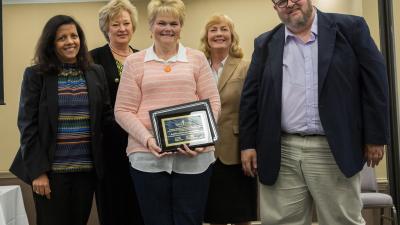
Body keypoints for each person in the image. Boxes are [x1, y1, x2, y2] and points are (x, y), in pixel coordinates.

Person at [239, 0, 389, 224]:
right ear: (275, 7)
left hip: (331, 148)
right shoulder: (265, 43)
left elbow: (375, 83)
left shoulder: (350, 29)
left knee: (341, 220)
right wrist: (248, 143)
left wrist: (375, 137)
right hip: (282, 150)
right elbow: (251, 97)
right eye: (280, 1)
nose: (289, 4)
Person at [114, 0, 221, 224]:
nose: (168, 28)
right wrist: (147, 140)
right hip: (147, 157)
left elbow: (212, 101)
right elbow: (122, 110)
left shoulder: (196, 58)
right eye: (161, 22)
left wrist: (201, 140)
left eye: (174, 23)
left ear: (181, 26)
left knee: (190, 219)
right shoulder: (134, 62)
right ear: (151, 25)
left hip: (195, 158)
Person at [9, 15, 112, 225]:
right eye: (62, 38)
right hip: (50, 175)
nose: (70, 41)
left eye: (74, 36)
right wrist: (38, 173)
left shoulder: (96, 72)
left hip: (86, 172)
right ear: (51, 44)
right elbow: (27, 126)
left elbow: (106, 118)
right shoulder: (35, 75)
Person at [200, 14, 257, 225]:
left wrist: (250, 145)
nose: (219, 34)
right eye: (213, 29)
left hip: (237, 151)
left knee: (241, 215)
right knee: (214, 216)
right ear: (206, 37)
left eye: (224, 29)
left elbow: (252, 110)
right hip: (204, 152)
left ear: (232, 36)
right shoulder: (197, 67)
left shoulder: (246, 66)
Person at [90, 1, 144, 224]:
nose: (122, 28)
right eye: (116, 24)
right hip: (110, 147)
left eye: (126, 23)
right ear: (106, 28)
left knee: (140, 207)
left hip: (142, 144)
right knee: (114, 208)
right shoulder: (93, 59)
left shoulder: (144, 57)